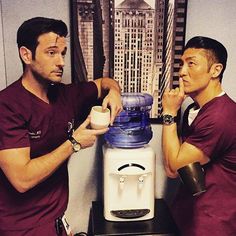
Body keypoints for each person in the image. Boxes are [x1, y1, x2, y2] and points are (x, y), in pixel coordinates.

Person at [0, 17, 122, 236]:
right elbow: (21, 179)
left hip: (57, 222)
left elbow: (104, 83)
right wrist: (74, 142)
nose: (61, 62)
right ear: (26, 55)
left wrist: (114, 92)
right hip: (21, 227)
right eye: (51, 52)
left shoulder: (66, 95)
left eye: (63, 53)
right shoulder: (7, 105)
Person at [161, 36, 236, 235]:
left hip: (213, 223)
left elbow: (175, 164)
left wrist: (169, 113)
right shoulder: (194, 110)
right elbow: (172, 169)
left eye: (191, 64)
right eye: (182, 64)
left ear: (215, 70)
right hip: (188, 216)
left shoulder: (221, 116)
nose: (182, 72)